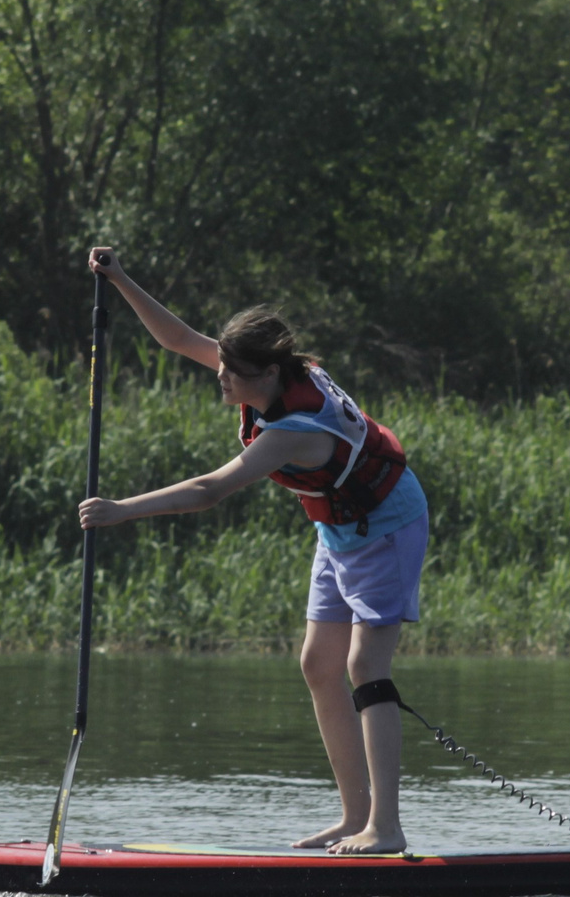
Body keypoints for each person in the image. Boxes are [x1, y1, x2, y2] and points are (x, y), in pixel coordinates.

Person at [76, 246, 429, 855]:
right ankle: (354, 817)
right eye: (223, 369)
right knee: (319, 665)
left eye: (230, 374)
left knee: (365, 667)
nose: (221, 379)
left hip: (387, 525)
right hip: (338, 528)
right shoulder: (268, 371)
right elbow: (180, 338)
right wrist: (119, 277)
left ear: (265, 374)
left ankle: (386, 828)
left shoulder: (293, 430)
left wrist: (121, 511)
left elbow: (210, 490)